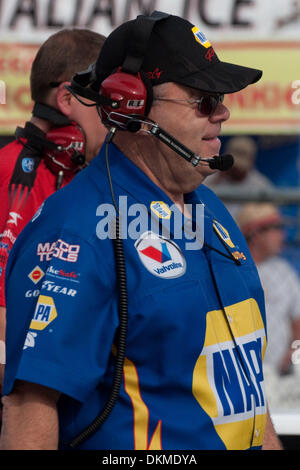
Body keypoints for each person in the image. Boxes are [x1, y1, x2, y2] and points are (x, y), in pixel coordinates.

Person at [0, 12, 282, 450]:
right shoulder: (77, 231)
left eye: (222, 97)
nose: (223, 112)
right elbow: (29, 414)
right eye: (204, 100)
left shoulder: (211, 210)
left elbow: (245, 395)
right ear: (131, 105)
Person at [0, 28, 107, 394]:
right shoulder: (7, 172)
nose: (116, 116)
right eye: (105, 98)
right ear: (66, 99)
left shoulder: (103, 180)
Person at [236, 202, 300, 375]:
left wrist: (295, 349)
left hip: (280, 372)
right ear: (255, 233)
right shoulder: (231, 271)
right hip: (240, 372)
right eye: (276, 228)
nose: (283, 235)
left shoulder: (283, 270)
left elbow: (297, 320)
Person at [205, 136, 274, 218]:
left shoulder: (260, 185)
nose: (236, 170)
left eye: (240, 167)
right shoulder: (210, 177)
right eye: (233, 166)